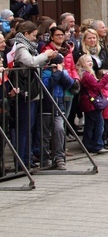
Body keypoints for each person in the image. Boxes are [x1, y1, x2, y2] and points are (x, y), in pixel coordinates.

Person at [8, 21, 57, 167]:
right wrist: (45, 54)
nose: (36, 39)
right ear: (26, 34)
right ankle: (22, 160)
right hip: (25, 91)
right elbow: (30, 62)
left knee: (30, 128)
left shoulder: (29, 46)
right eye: (34, 35)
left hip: (33, 90)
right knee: (24, 128)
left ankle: (27, 158)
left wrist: (47, 58)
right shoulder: (21, 47)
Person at [77, 54, 108, 155]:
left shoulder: (87, 74)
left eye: (90, 60)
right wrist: (107, 77)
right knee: (99, 124)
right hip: (92, 103)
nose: (90, 62)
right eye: (87, 61)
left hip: (89, 102)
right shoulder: (88, 75)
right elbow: (97, 87)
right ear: (83, 64)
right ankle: (97, 145)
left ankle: (88, 144)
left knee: (90, 124)